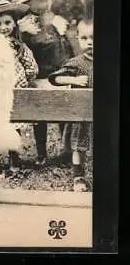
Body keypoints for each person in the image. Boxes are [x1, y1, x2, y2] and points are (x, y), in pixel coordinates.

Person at [12, 0, 77, 166]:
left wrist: (62, 30)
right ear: (30, 3)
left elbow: (68, 45)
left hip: (59, 72)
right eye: (40, 0)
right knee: (39, 117)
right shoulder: (23, 24)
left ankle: (67, 151)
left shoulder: (56, 20)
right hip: (39, 75)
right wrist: (23, 31)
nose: (46, 4)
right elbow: (24, 47)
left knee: (65, 114)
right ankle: (41, 153)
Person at [0, 0, 39, 172]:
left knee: (14, 124)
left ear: (14, 24)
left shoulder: (19, 46)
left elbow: (31, 67)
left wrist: (26, 78)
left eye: (7, 22)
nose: (4, 27)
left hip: (15, 90)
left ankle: (14, 160)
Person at [47, 19, 93, 191]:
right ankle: (78, 176)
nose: (90, 42)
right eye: (84, 38)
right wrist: (73, 80)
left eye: (94, 38)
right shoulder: (77, 63)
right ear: (78, 39)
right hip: (80, 114)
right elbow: (54, 78)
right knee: (79, 147)